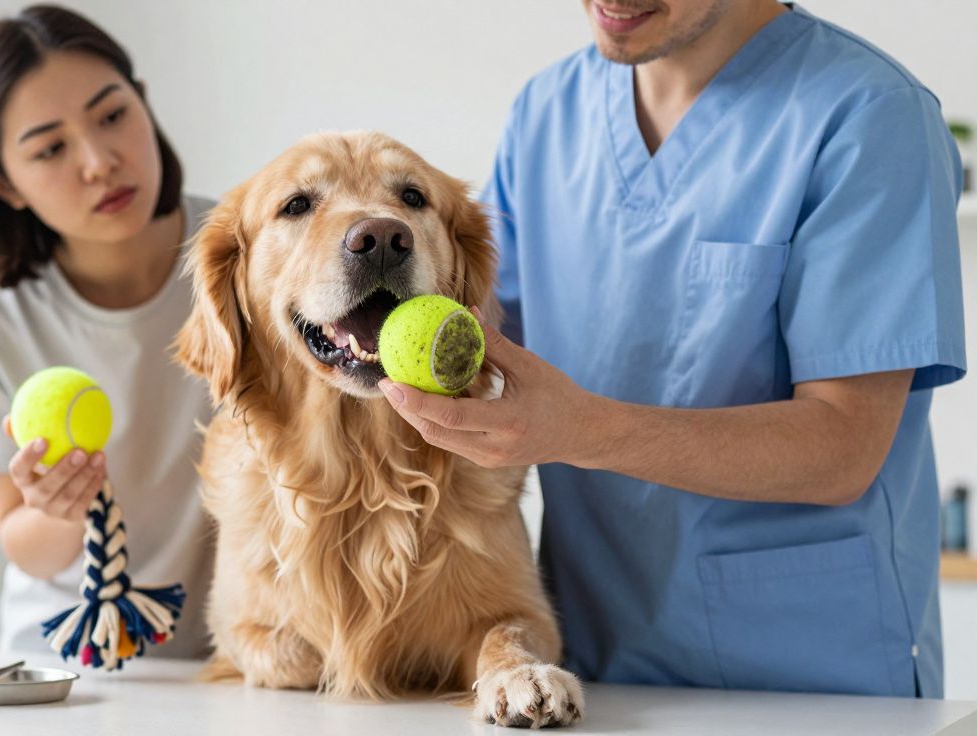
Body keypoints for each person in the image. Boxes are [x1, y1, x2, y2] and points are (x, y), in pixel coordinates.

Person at [378, 0, 965, 697]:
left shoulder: (869, 116)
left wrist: (577, 428)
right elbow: (481, 357)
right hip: (589, 674)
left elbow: (845, 449)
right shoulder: (545, 116)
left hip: (812, 682)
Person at [0, 4, 215, 658]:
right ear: (1, 182)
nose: (99, 161)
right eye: (51, 148)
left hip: (240, 662)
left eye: (113, 115)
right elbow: (23, 543)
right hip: (65, 667)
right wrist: (54, 507)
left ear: (143, 103)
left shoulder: (248, 252)